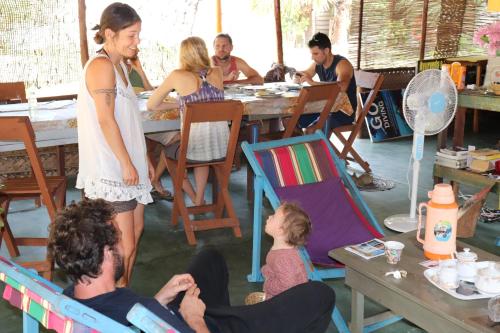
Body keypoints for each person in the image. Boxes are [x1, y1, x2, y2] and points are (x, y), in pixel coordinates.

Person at [48, 199, 335, 333]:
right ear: (108, 253)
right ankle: (238, 320)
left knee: (209, 259)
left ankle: (231, 315)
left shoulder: (72, 297)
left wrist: (161, 298)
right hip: (200, 326)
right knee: (319, 294)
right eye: (120, 240)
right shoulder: (123, 307)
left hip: (168, 318)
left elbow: (132, 315)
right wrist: (194, 318)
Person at [76, 2, 153, 287]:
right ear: (109, 33)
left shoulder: (120, 66)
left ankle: (123, 295)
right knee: (123, 246)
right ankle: (112, 303)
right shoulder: (101, 66)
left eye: (138, 35)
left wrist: (143, 161)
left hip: (128, 164)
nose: (137, 42)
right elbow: (106, 120)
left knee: (135, 232)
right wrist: (125, 162)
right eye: (131, 35)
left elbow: (128, 119)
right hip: (111, 168)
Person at [147, 37, 229, 206]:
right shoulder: (218, 72)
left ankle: (192, 196)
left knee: (169, 149)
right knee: (202, 148)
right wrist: (183, 103)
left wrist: (180, 103)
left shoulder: (178, 75)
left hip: (193, 150)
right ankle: (199, 199)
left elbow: (151, 104)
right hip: (221, 147)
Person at [124, 49, 178, 201]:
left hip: (148, 120)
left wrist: (140, 70)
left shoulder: (134, 69)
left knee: (177, 137)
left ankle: (155, 178)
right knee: (138, 142)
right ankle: (147, 184)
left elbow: (150, 91)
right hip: (130, 122)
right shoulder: (113, 70)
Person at [246, 203, 311, 304]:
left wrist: (268, 283)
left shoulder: (283, 258)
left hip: (286, 305)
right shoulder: (283, 250)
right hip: (287, 300)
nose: (269, 216)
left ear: (281, 230)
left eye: (274, 216)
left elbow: (288, 285)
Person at [295, 32, 357, 130]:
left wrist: (312, 83)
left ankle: (318, 144)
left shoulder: (342, 64)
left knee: (311, 130)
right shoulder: (318, 63)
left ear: (327, 51)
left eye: (316, 53)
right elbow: (307, 73)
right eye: (312, 54)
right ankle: (303, 144)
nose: (312, 57)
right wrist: (297, 75)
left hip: (342, 112)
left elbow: (342, 87)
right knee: (292, 120)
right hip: (325, 107)